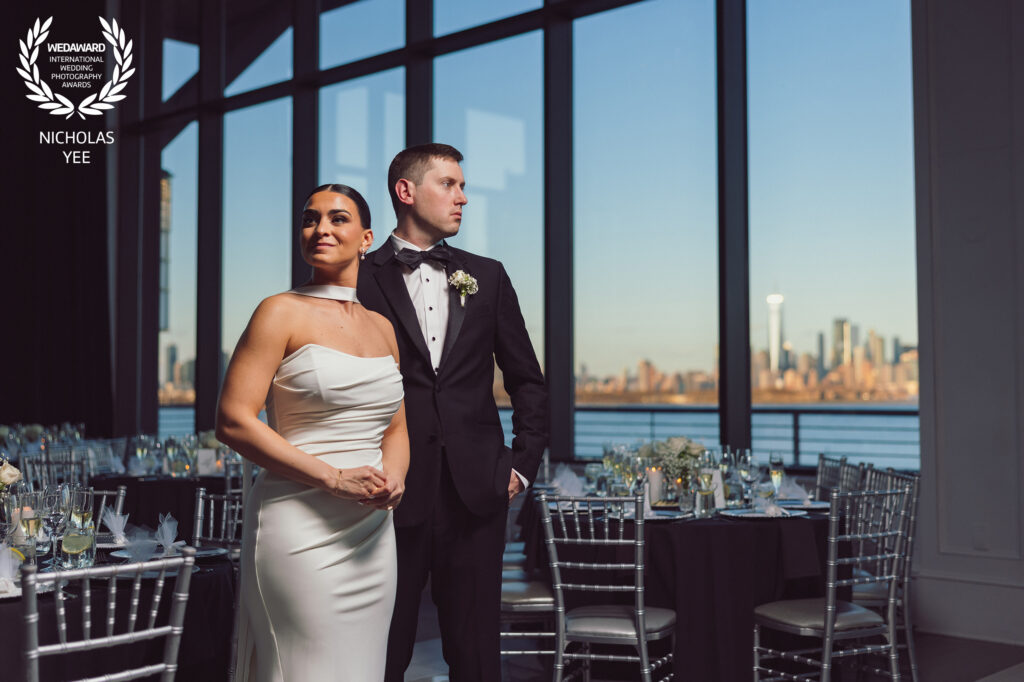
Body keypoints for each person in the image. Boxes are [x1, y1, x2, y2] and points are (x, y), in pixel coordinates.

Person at [357, 143, 548, 681]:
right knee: (382, 648)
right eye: (450, 184)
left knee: (476, 653)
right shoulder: (361, 278)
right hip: (388, 492)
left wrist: (520, 465)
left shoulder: (487, 276)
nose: (463, 197)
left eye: (463, 186)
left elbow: (528, 382)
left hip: (476, 491)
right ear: (406, 191)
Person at [216, 184, 408, 681]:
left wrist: (397, 478)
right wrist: (332, 479)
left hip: (371, 533)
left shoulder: (383, 328)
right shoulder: (278, 311)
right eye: (309, 219)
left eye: (337, 219)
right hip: (297, 526)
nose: (320, 228)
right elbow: (234, 420)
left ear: (366, 237)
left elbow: (396, 425)